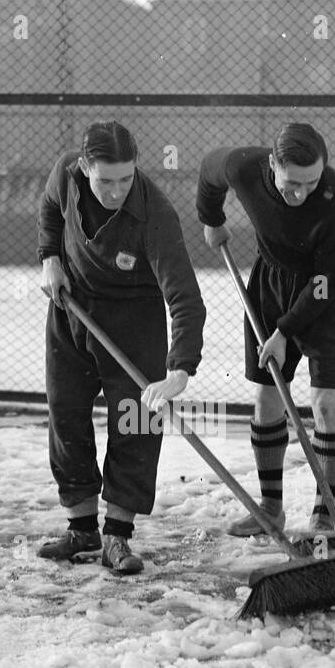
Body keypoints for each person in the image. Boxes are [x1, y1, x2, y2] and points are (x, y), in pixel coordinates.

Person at [37, 120, 206, 574]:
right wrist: (50, 258)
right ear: (84, 167)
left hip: (133, 320)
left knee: (135, 421)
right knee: (65, 410)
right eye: (105, 181)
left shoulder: (155, 215)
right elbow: (51, 209)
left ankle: (117, 535)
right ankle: (81, 527)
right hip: (72, 307)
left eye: (125, 179)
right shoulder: (65, 174)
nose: (115, 191)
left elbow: (185, 297)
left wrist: (179, 369)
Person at [197, 122, 335, 536]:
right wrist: (211, 218)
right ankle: (270, 510)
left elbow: (326, 284)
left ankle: (325, 516)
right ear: (272, 164)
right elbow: (208, 168)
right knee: (267, 399)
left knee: (326, 405)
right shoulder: (244, 167)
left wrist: (283, 332)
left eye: (312, 181)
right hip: (271, 287)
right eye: (292, 182)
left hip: (330, 295)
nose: (302, 192)